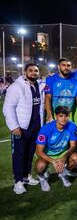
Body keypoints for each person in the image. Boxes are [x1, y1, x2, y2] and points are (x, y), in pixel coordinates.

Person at [3, 63, 45, 194]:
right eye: (31, 70)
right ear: (25, 72)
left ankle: (26, 176)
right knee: (19, 155)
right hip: (21, 127)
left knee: (30, 153)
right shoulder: (16, 86)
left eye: (36, 71)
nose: (34, 73)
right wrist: (14, 126)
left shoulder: (39, 85)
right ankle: (18, 181)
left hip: (36, 127)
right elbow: (8, 107)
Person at [35, 106, 77, 191]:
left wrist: (64, 158)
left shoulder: (72, 126)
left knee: (76, 158)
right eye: (61, 116)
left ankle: (63, 173)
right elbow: (39, 152)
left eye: (66, 116)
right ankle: (42, 178)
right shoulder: (46, 128)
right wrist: (54, 162)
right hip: (48, 154)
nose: (64, 119)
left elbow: (73, 146)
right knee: (40, 166)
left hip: (63, 152)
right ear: (56, 116)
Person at [44, 58, 77, 123]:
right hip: (54, 116)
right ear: (59, 67)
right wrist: (49, 115)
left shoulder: (75, 81)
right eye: (63, 65)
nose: (66, 67)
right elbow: (47, 98)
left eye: (68, 65)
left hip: (68, 116)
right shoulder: (50, 79)